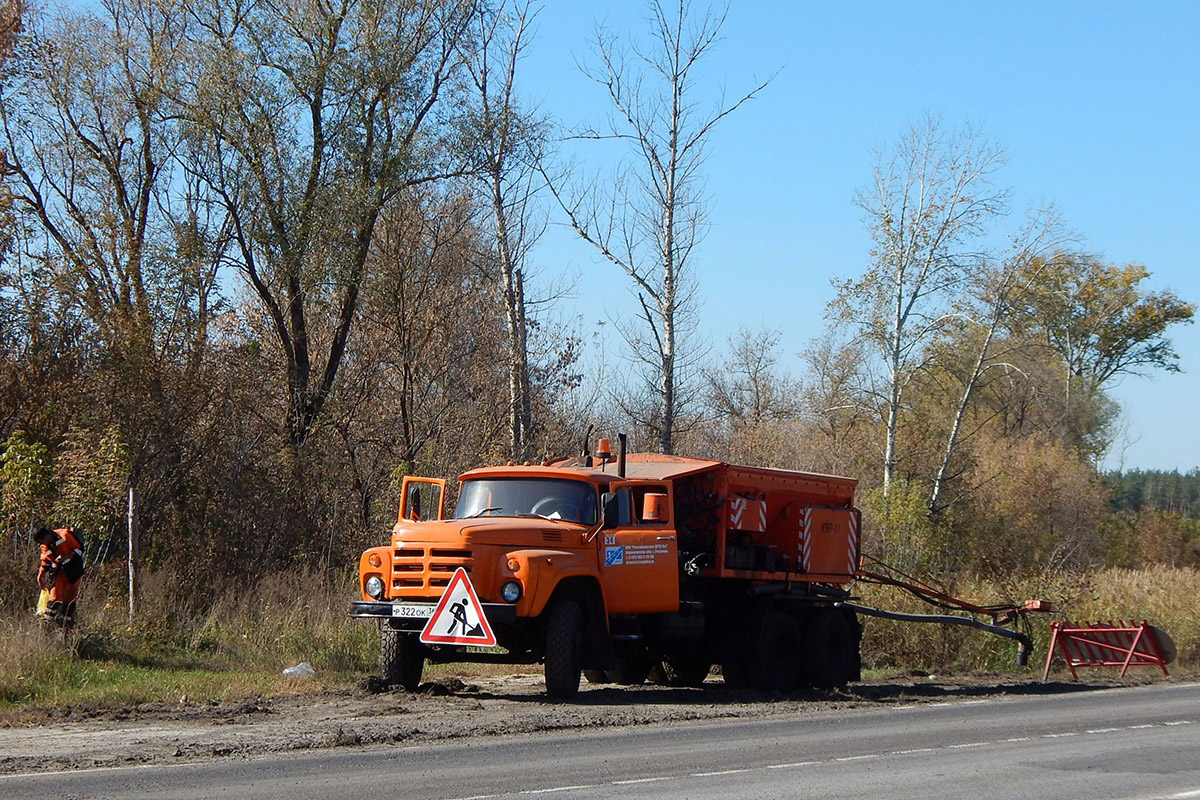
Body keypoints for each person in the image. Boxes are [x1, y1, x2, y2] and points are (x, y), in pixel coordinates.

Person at [33, 526, 85, 624]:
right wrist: (41, 574)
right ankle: (47, 627)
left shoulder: (65, 535)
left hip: (74, 571)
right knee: (54, 599)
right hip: (58, 572)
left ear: (47, 535)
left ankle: (67, 628)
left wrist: (67, 556)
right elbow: (45, 560)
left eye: (42, 541)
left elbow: (80, 549)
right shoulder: (44, 545)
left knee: (69, 602)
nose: (42, 544)